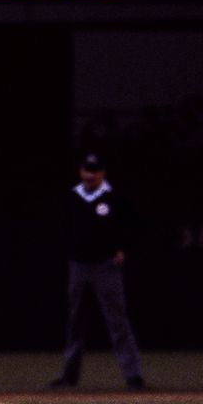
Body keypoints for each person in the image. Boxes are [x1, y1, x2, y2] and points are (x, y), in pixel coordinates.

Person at [49, 153, 145, 391]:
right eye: (86, 170)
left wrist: (123, 248)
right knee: (75, 322)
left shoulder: (113, 198)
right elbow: (61, 228)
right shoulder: (73, 197)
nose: (90, 175)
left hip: (106, 265)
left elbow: (130, 225)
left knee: (117, 320)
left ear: (102, 172)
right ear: (81, 171)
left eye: (94, 170)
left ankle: (133, 376)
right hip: (79, 266)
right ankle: (69, 376)